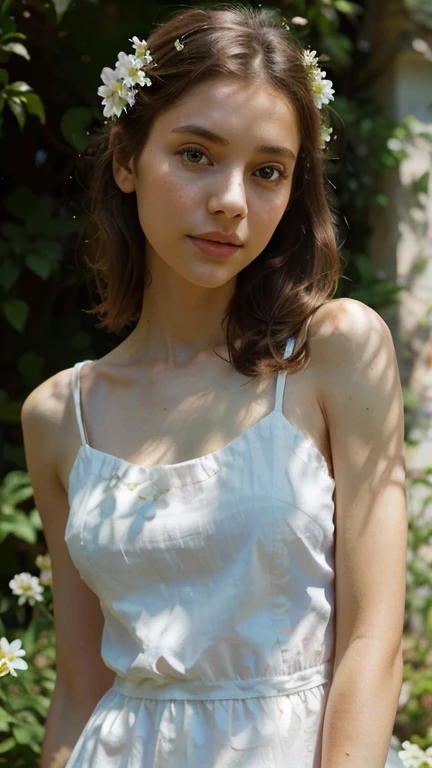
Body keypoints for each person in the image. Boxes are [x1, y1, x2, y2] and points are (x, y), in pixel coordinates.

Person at [21, 5, 407, 768]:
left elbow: (372, 641)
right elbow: (78, 688)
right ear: (127, 161)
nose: (232, 199)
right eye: (196, 154)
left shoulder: (333, 353)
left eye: (268, 171)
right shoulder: (62, 416)